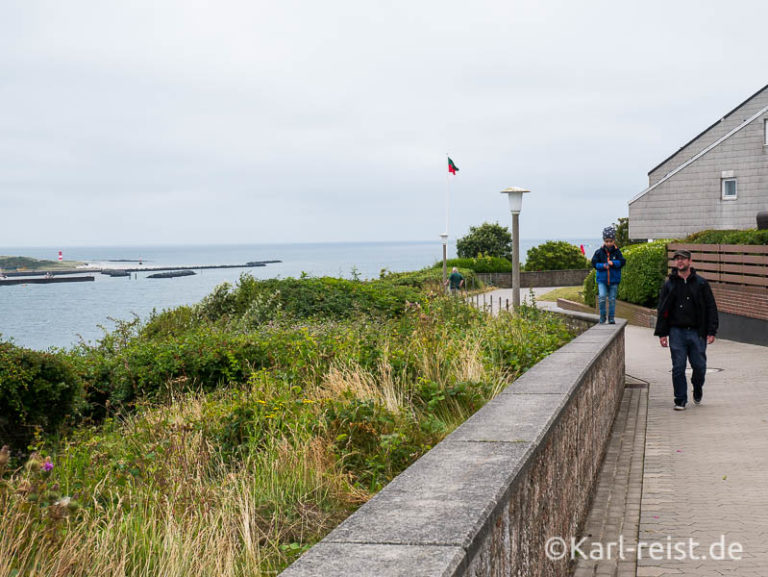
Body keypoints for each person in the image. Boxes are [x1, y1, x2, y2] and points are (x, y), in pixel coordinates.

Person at [654, 249, 718, 411]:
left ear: (690, 261)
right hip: (677, 332)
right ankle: (680, 399)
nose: (680, 262)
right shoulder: (669, 284)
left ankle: (697, 387)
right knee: (678, 367)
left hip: (697, 332)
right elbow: (662, 309)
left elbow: (711, 307)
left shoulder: (701, 283)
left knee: (699, 366)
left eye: (683, 259)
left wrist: (711, 331)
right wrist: (662, 333)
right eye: (677, 259)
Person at [591, 226, 625, 324]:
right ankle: (602, 317)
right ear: (604, 241)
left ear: (614, 240)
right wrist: (604, 265)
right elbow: (594, 264)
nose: (608, 243)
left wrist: (613, 263)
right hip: (602, 280)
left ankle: (611, 318)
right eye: (606, 241)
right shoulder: (599, 252)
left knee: (612, 299)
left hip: (614, 280)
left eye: (610, 241)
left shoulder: (617, 252)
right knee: (601, 297)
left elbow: (622, 262)